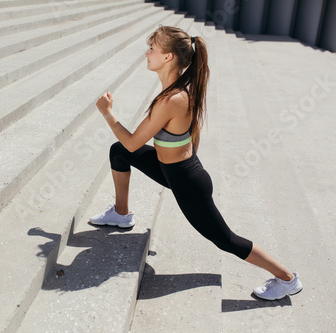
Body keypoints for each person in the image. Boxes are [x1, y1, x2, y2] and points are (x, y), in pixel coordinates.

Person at [90, 26, 302, 301]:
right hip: (178, 170)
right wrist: (182, 157)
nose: (147, 52)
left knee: (225, 239)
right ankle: (121, 213)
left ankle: (288, 278)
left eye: (152, 48)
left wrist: (107, 113)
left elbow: (133, 142)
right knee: (118, 152)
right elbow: (192, 132)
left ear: (167, 58)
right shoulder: (180, 89)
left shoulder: (171, 99)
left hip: (187, 183)